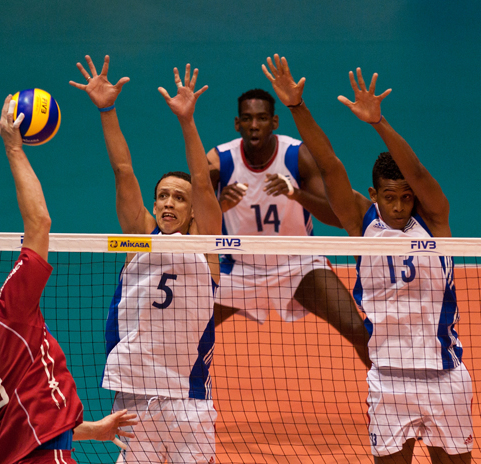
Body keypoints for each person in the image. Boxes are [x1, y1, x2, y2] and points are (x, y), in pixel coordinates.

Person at [262, 54, 472, 464]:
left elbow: (421, 172)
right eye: (389, 197)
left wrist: (378, 123)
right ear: (374, 196)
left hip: (445, 377)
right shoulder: (362, 223)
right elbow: (329, 164)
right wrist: (295, 107)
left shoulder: (435, 221)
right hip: (388, 380)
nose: (398, 206)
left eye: (406, 196)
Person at [0, 96, 137, 464]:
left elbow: (24, 422)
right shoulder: (7, 312)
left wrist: (93, 431)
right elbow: (39, 221)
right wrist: (13, 146)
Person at [70, 56, 221, 464]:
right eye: (163, 196)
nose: (169, 202)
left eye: (179, 197)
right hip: (134, 395)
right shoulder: (139, 238)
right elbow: (123, 170)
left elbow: (205, 184)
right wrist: (106, 109)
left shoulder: (206, 248)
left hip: (188, 397)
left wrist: (187, 122)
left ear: (191, 211)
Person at [207, 88, 370, 367]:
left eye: (261, 118)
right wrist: (219, 206)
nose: (254, 125)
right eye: (247, 119)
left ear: (275, 122)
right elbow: (191, 228)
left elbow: (337, 216)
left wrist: (296, 194)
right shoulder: (218, 161)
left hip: (299, 266)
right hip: (239, 270)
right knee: (187, 328)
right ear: (237, 124)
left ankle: (388, 392)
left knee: (358, 329)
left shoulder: (297, 155)